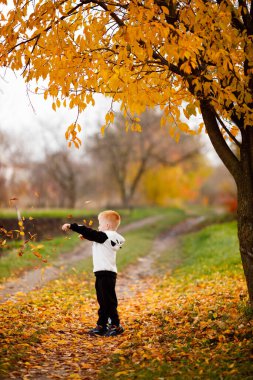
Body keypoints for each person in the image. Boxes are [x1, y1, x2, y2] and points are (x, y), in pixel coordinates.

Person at [62, 210, 125, 336]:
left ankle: (116, 325)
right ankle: (102, 325)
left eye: (100, 224)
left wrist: (72, 226)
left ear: (107, 226)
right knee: (103, 300)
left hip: (106, 273)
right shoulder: (108, 237)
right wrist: (87, 237)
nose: (98, 227)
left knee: (108, 300)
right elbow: (96, 237)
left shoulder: (106, 235)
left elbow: (91, 233)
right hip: (103, 273)